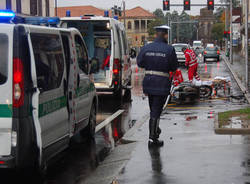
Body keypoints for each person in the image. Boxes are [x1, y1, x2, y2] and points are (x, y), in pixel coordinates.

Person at [137, 25, 178, 147]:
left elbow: (140, 63)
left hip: (149, 82)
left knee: (153, 109)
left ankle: (155, 132)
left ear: (156, 35)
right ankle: (152, 138)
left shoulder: (146, 48)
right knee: (156, 110)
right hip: (162, 83)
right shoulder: (169, 49)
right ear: (165, 35)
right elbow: (174, 67)